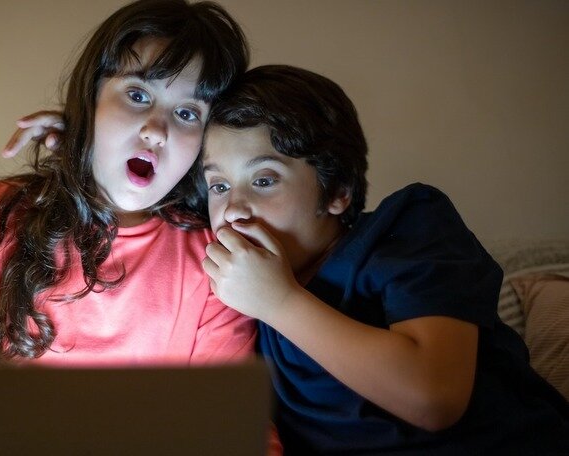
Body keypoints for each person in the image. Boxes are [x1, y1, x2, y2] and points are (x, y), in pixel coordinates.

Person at [199, 65, 569, 454]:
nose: (233, 208)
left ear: (337, 191)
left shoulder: (407, 228)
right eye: (219, 186)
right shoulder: (233, 303)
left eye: (264, 180)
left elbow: (434, 398)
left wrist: (279, 302)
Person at [0, 0, 256, 366]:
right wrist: (80, 141)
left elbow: (220, 402)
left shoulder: (216, 262)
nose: (156, 131)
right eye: (138, 95)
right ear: (90, 98)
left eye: (187, 113)